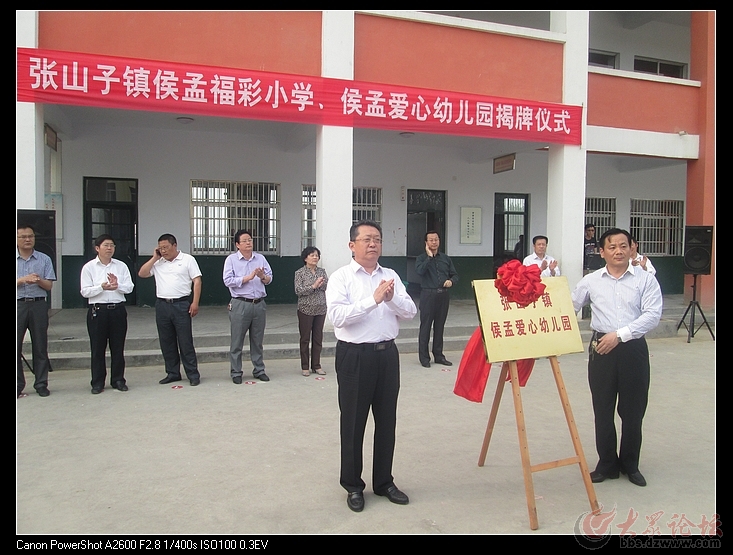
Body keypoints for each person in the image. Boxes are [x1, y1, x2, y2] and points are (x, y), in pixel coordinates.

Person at [326, 220, 417, 513]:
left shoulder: (390, 275)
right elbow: (338, 317)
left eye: (377, 239)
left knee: (387, 420)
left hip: (387, 356)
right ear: (352, 245)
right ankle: (353, 485)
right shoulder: (341, 278)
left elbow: (411, 311)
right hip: (354, 357)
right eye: (366, 239)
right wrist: (373, 300)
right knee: (353, 422)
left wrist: (390, 301)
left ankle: (384, 482)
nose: (373, 244)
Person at [572, 228, 662, 488]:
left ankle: (630, 464)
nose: (618, 251)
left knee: (633, 411)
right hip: (601, 348)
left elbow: (652, 315)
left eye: (624, 245)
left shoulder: (645, 280)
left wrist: (619, 336)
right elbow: (569, 305)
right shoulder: (591, 281)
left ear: (632, 248)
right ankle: (607, 464)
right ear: (602, 252)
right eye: (612, 247)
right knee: (602, 408)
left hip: (632, 348)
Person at [138, 233, 202, 386]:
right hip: (162, 305)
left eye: (166, 247)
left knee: (185, 341)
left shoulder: (187, 259)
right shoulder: (158, 262)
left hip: (181, 304)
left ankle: (192, 374)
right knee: (166, 341)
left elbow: (197, 281)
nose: (164, 251)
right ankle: (172, 373)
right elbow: (142, 273)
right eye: (161, 248)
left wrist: (195, 303)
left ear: (175, 245)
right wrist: (155, 258)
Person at [80, 234, 134, 394]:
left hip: (117, 310)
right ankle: (97, 382)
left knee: (118, 348)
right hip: (98, 311)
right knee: (97, 349)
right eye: (106, 245)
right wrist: (101, 287)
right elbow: (84, 291)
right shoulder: (89, 267)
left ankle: (118, 380)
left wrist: (117, 286)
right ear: (97, 248)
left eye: (112, 245)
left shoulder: (121, 266)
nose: (109, 248)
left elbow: (130, 287)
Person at [223, 230, 273, 383]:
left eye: (250, 240)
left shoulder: (260, 258)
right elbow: (228, 280)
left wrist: (262, 277)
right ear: (237, 244)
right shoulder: (231, 260)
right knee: (237, 340)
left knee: (257, 340)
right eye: (244, 240)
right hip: (240, 303)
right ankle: (236, 372)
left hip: (258, 304)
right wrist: (248, 278)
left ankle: (259, 369)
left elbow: (270, 278)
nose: (248, 243)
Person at [17, 224, 56, 398]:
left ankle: (41, 383)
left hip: (39, 305)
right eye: (23, 236)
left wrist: (38, 280)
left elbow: (48, 286)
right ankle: (18, 384)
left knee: (40, 345)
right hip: (18, 305)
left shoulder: (44, 259)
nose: (27, 239)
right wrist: (22, 280)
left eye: (31, 236)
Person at [415, 230, 459, 368]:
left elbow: (455, 275)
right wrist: (429, 257)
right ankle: (424, 358)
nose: (434, 242)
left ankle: (439, 355)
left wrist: (451, 281)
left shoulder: (445, 258)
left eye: (436, 239)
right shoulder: (421, 258)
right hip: (428, 295)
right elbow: (420, 272)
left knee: (439, 327)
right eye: (431, 240)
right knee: (426, 327)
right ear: (426, 243)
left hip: (443, 295)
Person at [294, 246, 328, 376]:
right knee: (305, 338)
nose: (315, 257)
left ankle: (316, 365)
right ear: (305, 258)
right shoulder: (300, 273)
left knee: (318, 338)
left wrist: (321, 284)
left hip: (320, 308)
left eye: (317, 255)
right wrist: (313, 286)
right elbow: (298, 291)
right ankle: (305, 366)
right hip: (305, 309)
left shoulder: (322, 272)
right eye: (312, 255)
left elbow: (326, 287)